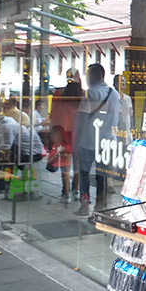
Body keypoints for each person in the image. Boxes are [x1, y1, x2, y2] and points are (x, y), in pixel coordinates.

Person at [74, 64, 120, 216]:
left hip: (89, 141)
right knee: (102, 176)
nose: (86, 79)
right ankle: (100, 207)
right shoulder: (115, 94)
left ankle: (85, 205)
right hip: (108, 142)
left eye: (88, 75)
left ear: (94, 76)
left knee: (84, 173)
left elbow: (81, 120)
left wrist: (76, 143)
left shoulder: (91, 94)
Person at [0, 113, 45, 200]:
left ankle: (2, 190)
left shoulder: (7, 126)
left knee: (2, 164)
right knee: (7, 159)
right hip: (36, 153)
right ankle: (5, 188)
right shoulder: (16, 125)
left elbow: (7, 146)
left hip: (29, 155)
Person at [50, 68, 83, 198]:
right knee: (78, 164)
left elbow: (53, 114)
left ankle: (66, 191)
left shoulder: (58, 93)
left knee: (65, 163)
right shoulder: (82, 95)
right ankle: (76, 188)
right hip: (78, 133)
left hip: (63, 132)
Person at [46, 125, 72, 203]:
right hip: (55, 165)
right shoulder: (53, 147)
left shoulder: (66, 146)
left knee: (65, 176)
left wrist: (65, 154)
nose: (57, 139)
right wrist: (55, 156)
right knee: (64, 177)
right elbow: (48, 161)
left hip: (65, 163)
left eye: (59, 137)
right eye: (55, 137)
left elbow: (70, 154)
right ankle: (65, 191)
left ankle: (66, 193)